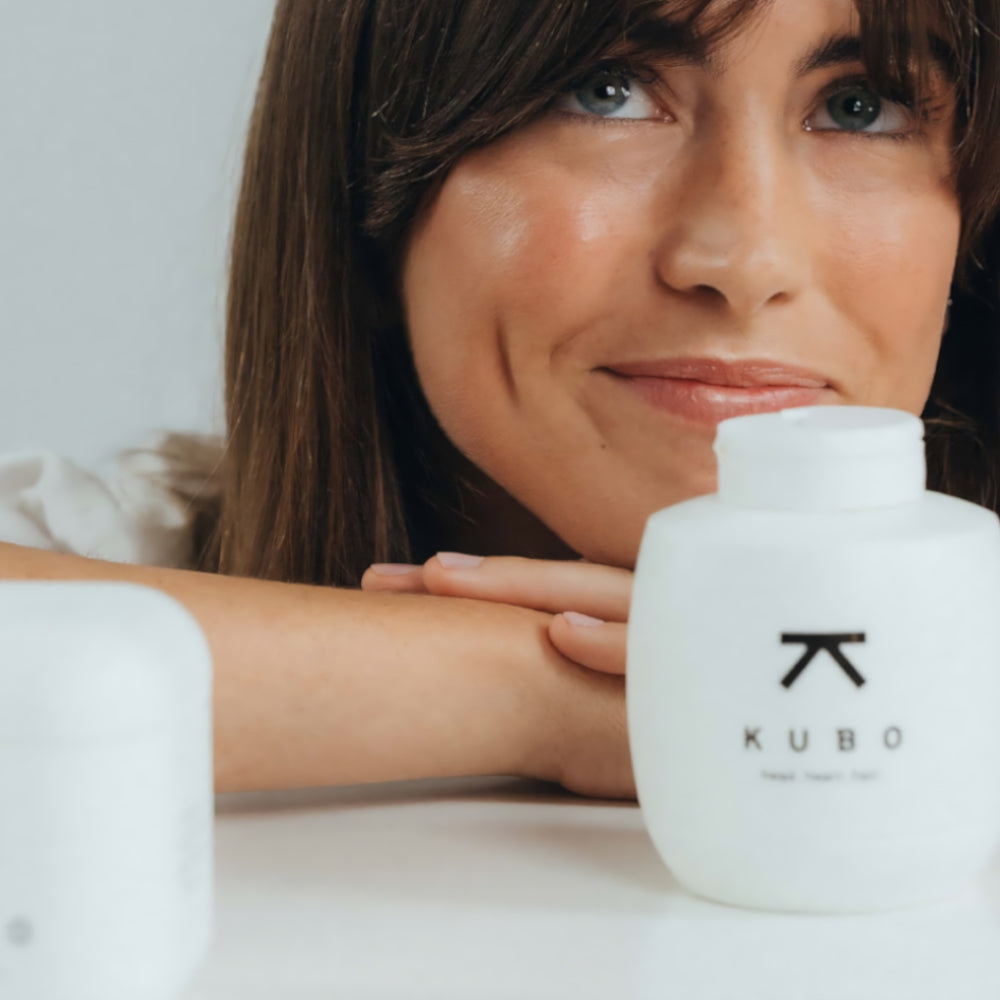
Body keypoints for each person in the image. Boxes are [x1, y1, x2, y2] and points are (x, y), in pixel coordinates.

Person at [1, 0, 998, 800]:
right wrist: (553, 690)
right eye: (604, 90)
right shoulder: (120, 560)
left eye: (861, 106)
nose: (746, 261)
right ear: (365, 191)